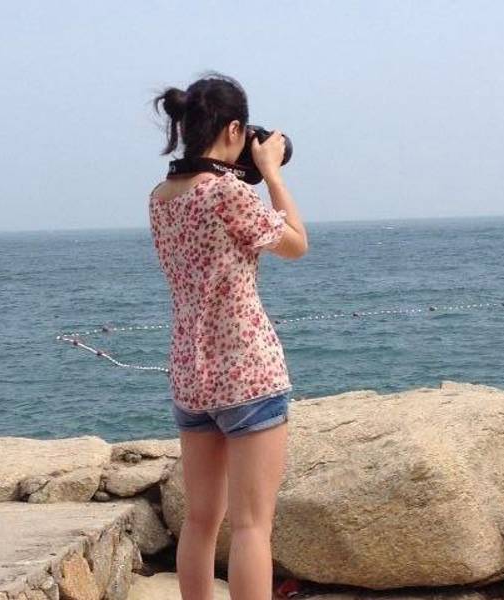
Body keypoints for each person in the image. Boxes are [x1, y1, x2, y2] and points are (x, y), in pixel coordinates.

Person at [148, 71, 308, 600]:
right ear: (234, 129)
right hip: (248, 373)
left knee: (200, 521)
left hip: (191, 375)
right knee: (251, 526)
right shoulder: (227, 194)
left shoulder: (160, 196)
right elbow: (295, 244)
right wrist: (271, 173)